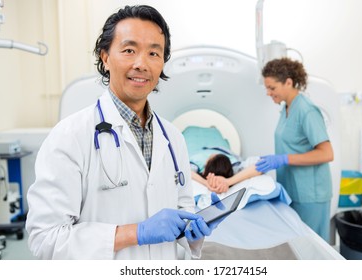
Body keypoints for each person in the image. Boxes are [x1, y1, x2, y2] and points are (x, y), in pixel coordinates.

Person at [25, 5, 219, 260]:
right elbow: (46, 239)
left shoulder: (173, 139)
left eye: (153, 53)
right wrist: (136, 233)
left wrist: (191, 231)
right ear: (105, 58)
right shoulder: (70, 136)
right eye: (129, 50)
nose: (141, 64)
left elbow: (182, 210)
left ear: (162, 63)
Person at [255, 57, 334, 242]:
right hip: (293, 189)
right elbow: (291, 144)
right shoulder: (286, 108)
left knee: (312, 248)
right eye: (267, 88)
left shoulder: (307, 110)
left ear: (288, 82)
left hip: (311, 194)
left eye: (272, 88)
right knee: (299, 246)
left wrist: (284, 159)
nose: (268, 93)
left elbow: (327, 153)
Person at [192, 153, 262, 194]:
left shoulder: (235, 166)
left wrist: (228, 181)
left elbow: (261, 164)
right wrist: (205, 182)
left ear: (204, 171)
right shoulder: (196, 162)